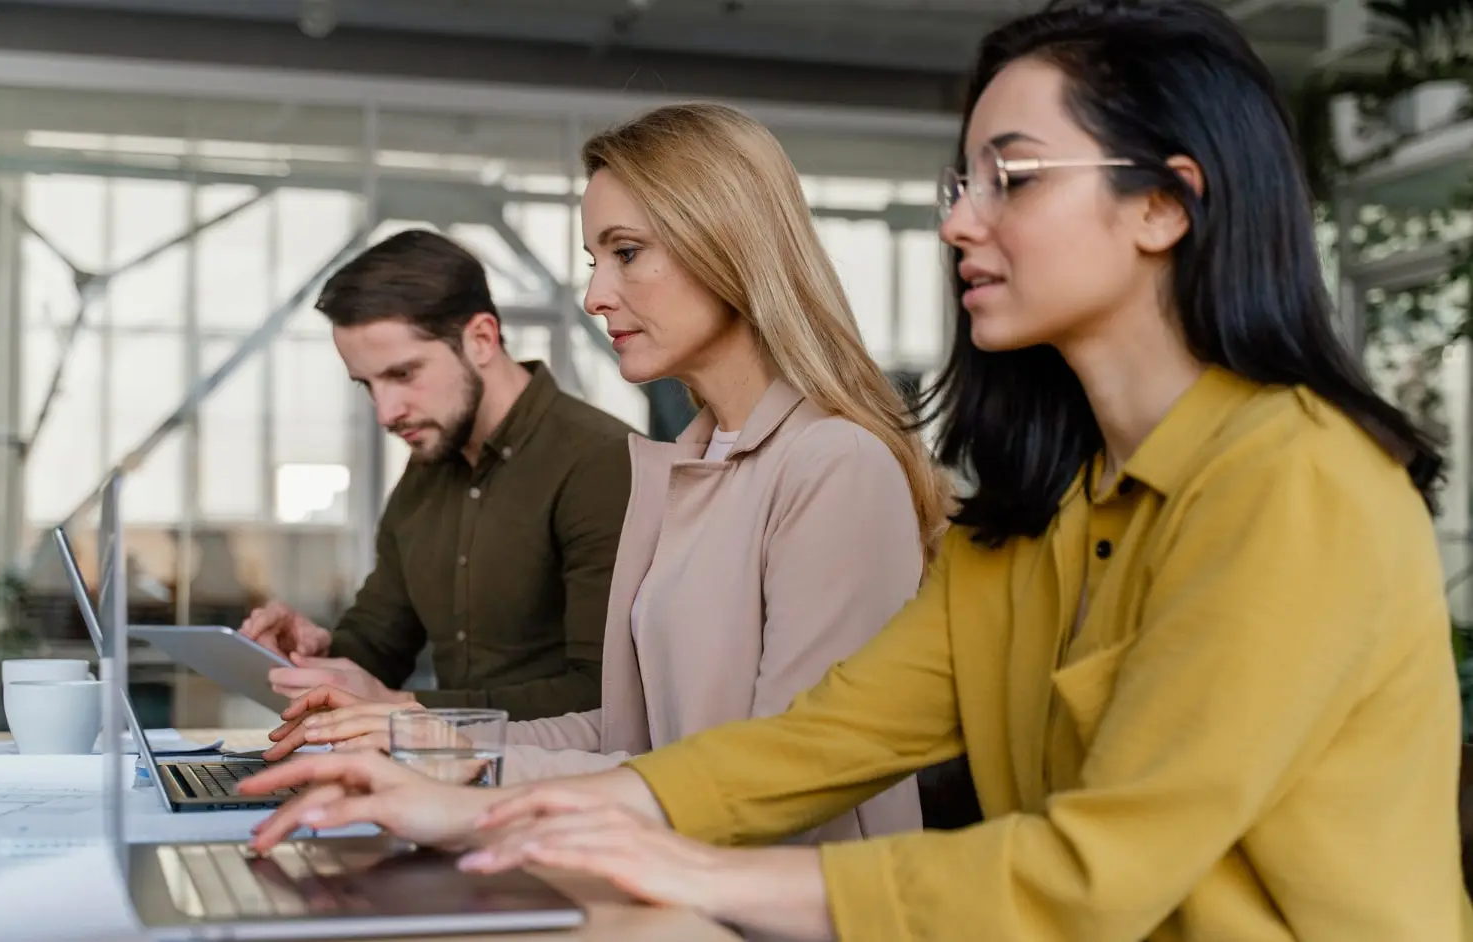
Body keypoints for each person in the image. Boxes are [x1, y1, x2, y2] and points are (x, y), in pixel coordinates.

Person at [240, 1, 1471, 938]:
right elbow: (800, 747)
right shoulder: (1040, 516)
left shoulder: (1292, 483)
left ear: (1165, 206)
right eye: (963, 183)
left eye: (1015, 179)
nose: (959, 222)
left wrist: (684, 864)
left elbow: (1094, 874)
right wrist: (465, 801)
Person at [258, 102, 951, 843]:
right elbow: (628, 734)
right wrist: (431, 744)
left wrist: (466, 774)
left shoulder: (834, 465)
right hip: (672, 876)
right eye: (596, 261)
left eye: (626, 253)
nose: (595, 297)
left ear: (729, 245)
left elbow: (780, 776)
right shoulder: (687, 465)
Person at [238, 229, 634, 718]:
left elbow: (603, 697)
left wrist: (402, 707)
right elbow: (379, 642)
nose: (386, 412)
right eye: (368, 384)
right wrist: (314, 657)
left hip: (569, 783)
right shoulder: (427, 467)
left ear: (481, 339)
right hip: (449, 772)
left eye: (403, 374)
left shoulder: (602, 462)